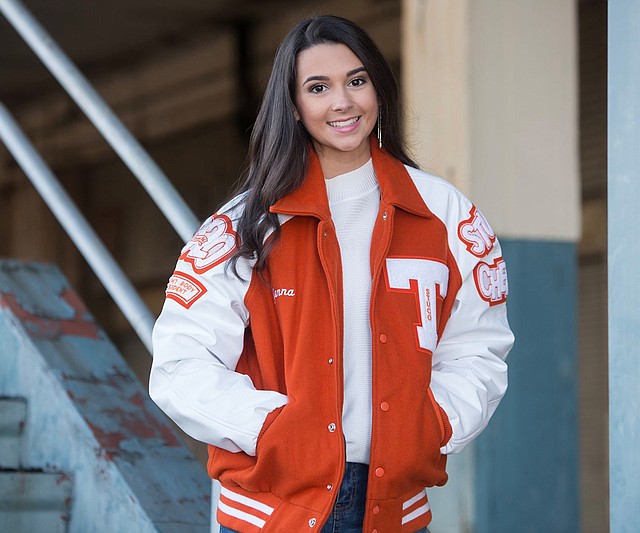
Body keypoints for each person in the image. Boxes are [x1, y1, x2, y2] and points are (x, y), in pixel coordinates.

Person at [150, 14, 513, 533]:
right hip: (271, 513)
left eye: (356, 81)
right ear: (294, 108)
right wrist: (275, 430)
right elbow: (179, 363)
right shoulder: (243, 227)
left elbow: (478, 348)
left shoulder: (448, 216)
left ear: (378, 90)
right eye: (318, 88)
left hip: (394, 511)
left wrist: (430, 427)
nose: (342, 102)